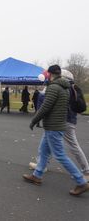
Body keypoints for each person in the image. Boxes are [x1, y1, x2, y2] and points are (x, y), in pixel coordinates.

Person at [23, 65, 89, 196]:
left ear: (50, 74)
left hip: (54, 127)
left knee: (60, 155)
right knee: (43, 150)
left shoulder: (54, 87)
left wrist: (34, 120)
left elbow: (45, 107)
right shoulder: (65, 87)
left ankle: (81, 182)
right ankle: (37, 175)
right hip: (55, 126)